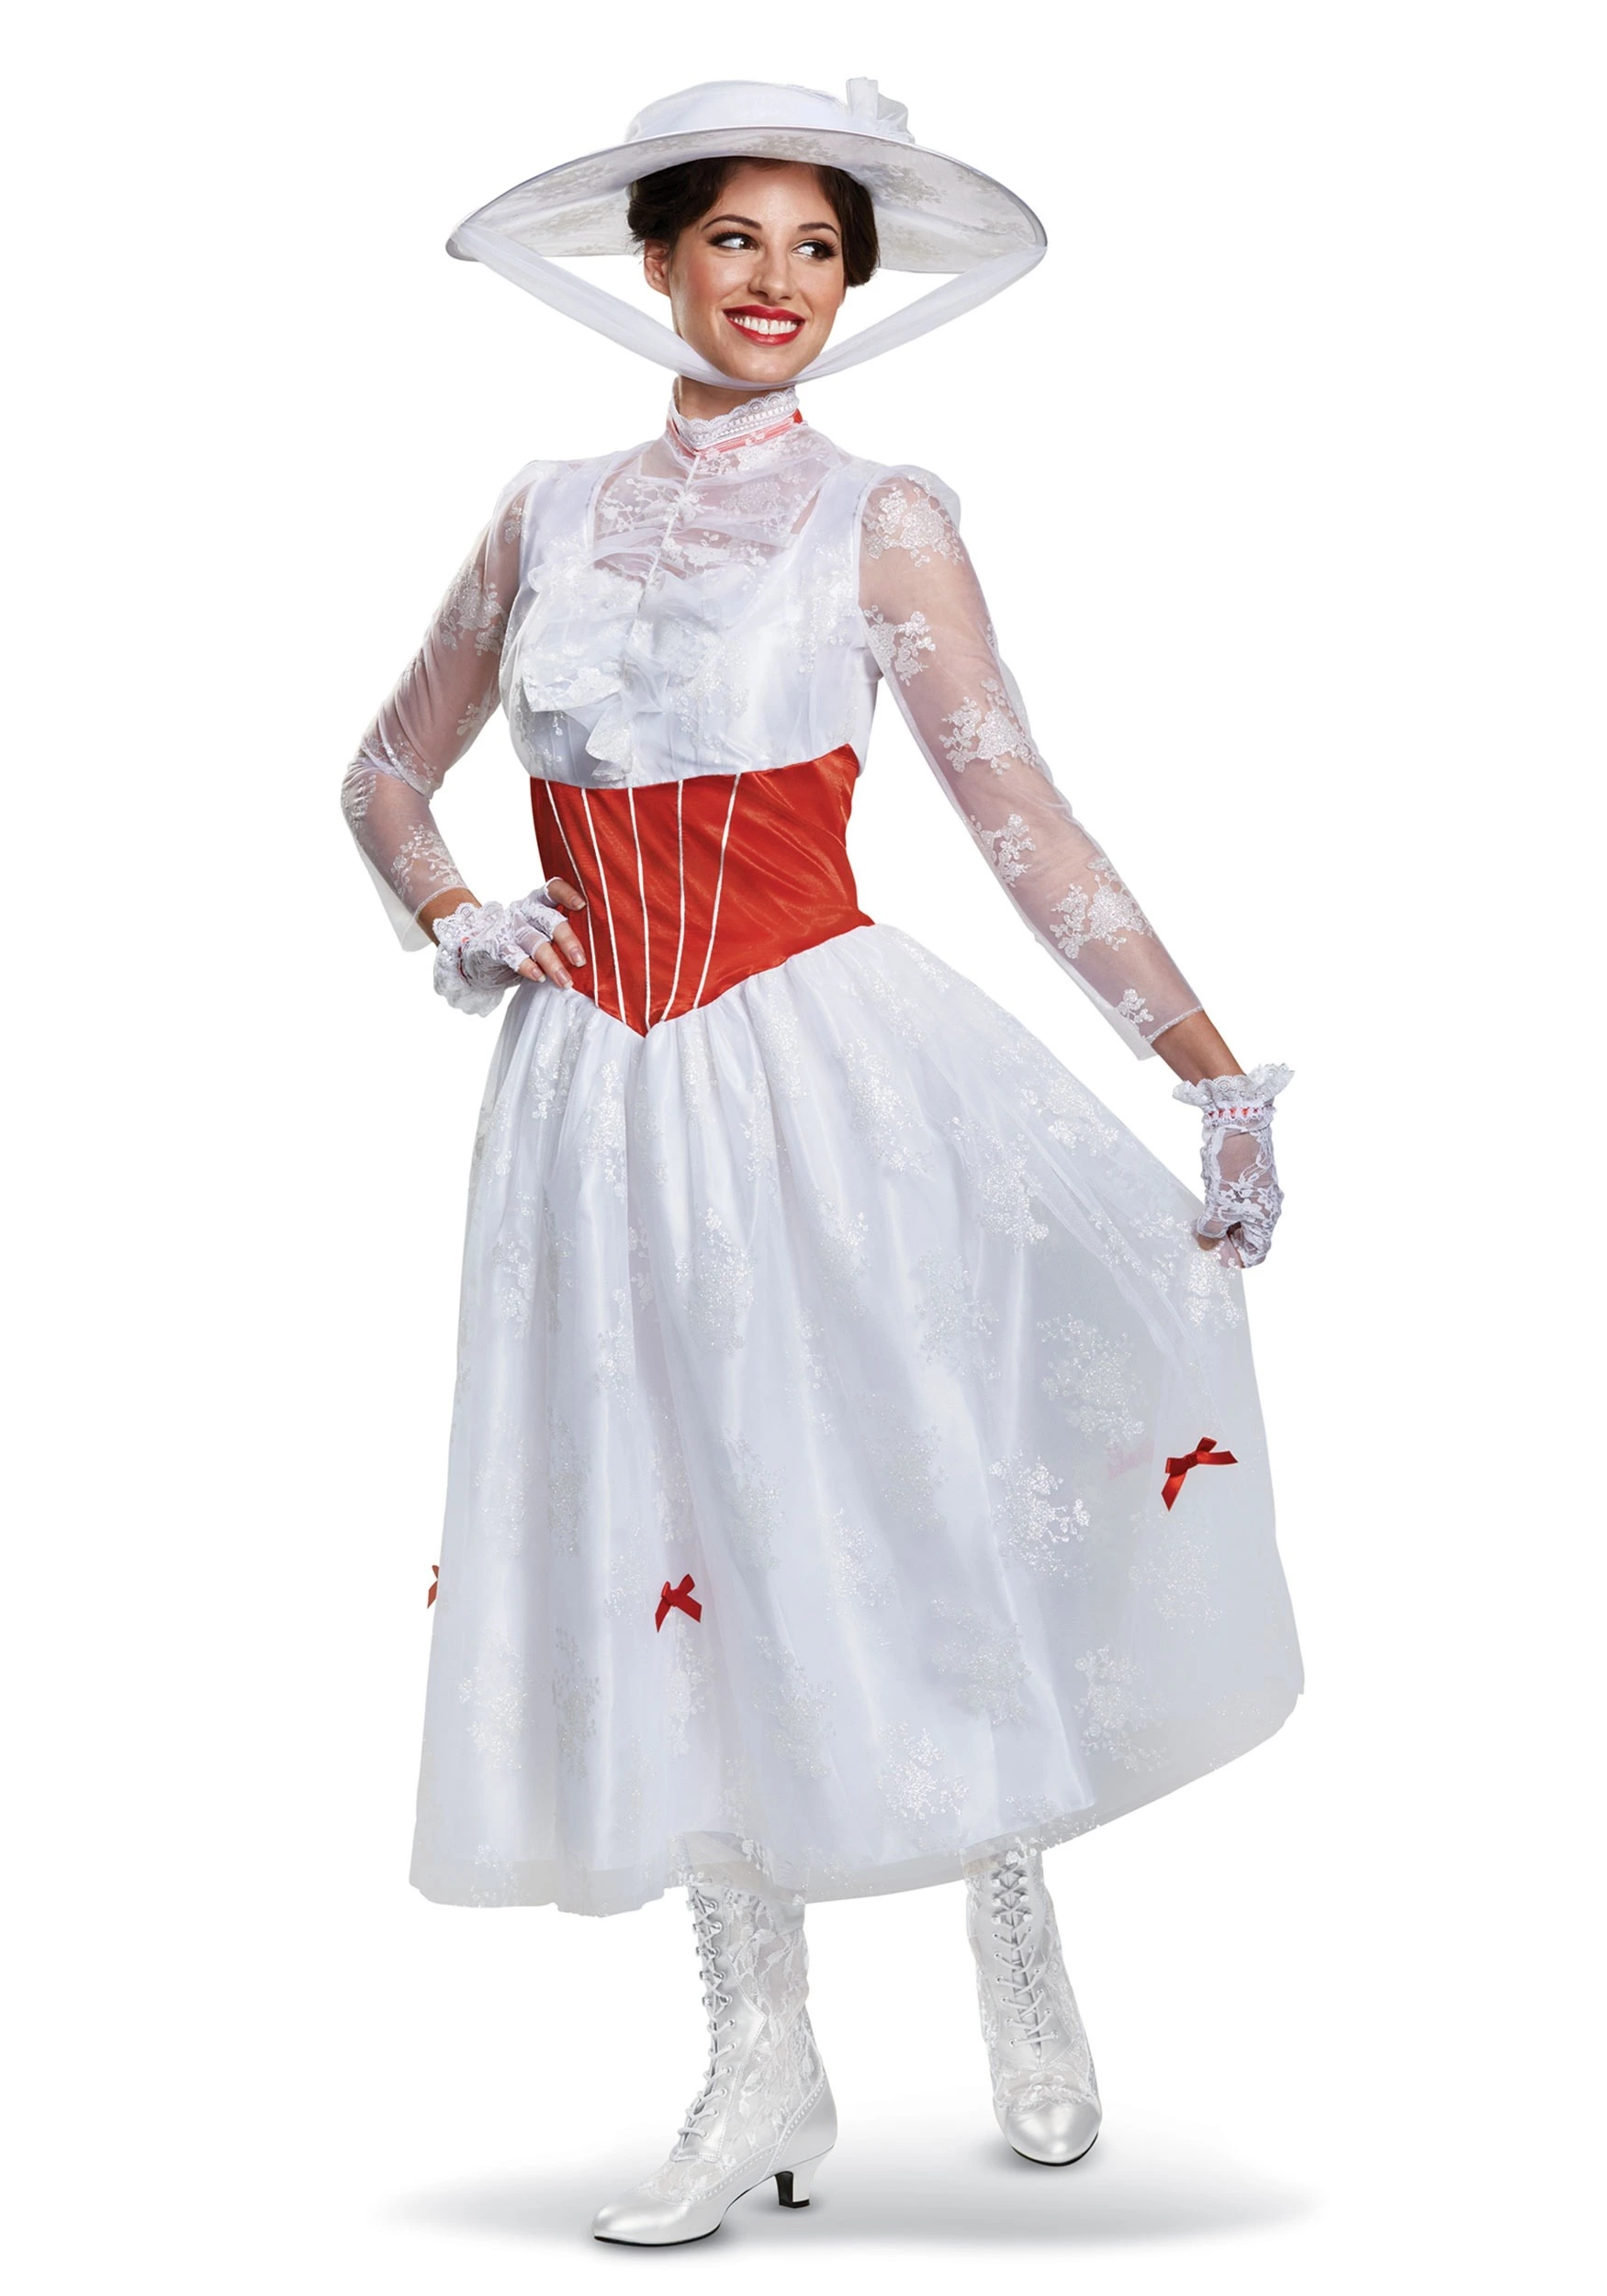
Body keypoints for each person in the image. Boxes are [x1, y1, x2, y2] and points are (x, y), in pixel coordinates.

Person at [341, 77, 1301, 2246]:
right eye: (734, 239)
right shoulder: (541, 513)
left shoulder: (880, 518)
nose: (775, 281)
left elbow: (1017, 817)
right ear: (658, 262)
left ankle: (1006, 1906)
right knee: (668, 1525)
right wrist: (459, 914)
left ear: (849, 287)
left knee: (892, 1482)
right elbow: (385, 772)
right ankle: (759, 2046)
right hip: (593, 1098)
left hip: (815, 1069)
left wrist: (1207, 1070)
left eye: (814, 248)